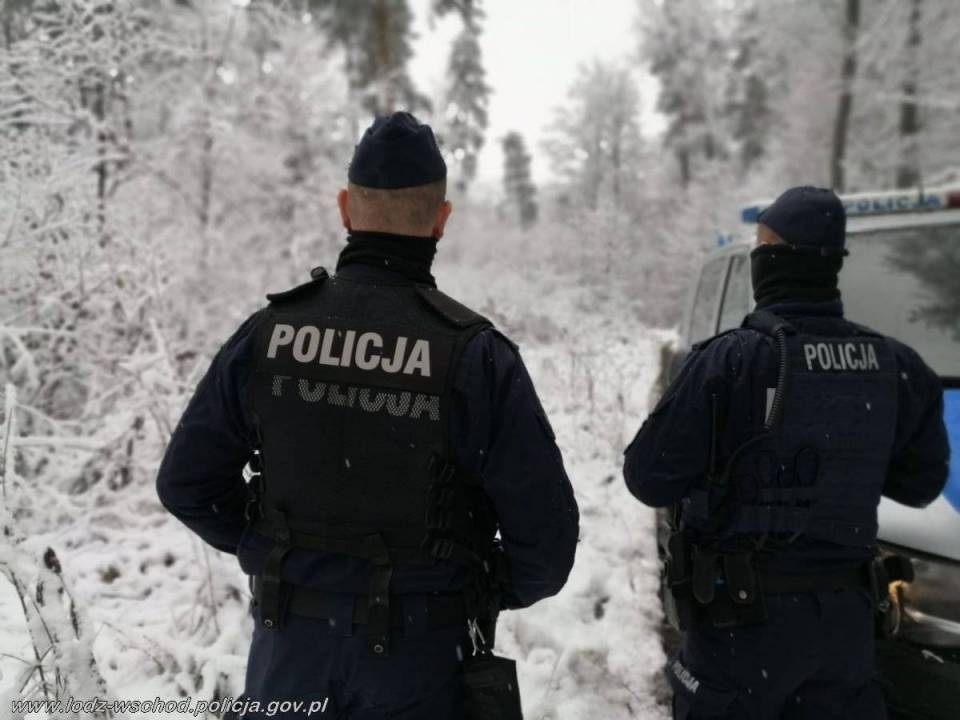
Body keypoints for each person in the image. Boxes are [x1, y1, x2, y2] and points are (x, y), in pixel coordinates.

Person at [156, 111, 579, 719]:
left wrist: (274, 551)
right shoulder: (475, 356)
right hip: (422, 660)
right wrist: (470, 585)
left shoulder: (269, 336)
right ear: (441, 218)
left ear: (345, 210)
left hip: (288, 651)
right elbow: (546, 546)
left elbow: (185, 485)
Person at [623, 186, 949, 720]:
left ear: (772, 257)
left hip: (739, 629)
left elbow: (648, 479)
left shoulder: (730, 361)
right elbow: (919, 485)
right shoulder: (898, 365)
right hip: (844, 632)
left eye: (761, 245)